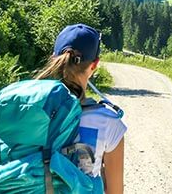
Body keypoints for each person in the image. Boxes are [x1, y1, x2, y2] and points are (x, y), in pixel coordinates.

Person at [34, 24, 126, 194]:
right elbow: (115, 191)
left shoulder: (28, 108)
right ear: (94, 65)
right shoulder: (109, 123)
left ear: (54, 58)